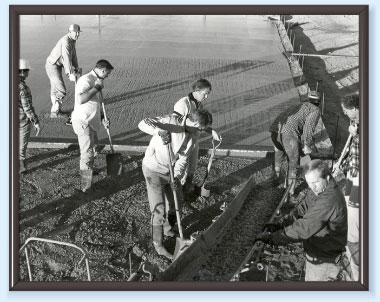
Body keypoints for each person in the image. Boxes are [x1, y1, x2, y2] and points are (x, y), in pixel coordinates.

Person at [138, 109, 213, 260]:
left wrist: (176, 178)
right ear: (195, 123)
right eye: (200, 129)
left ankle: (167, 228)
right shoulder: (170, 121)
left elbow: (182, 160)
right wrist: (159, 131)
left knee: (177, 201)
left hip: (170, 172)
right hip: (153, 169)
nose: (199, 132)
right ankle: (158, 245)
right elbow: (143, 123)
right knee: (158, 208)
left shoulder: (191, 137)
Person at [258, 159, 347, 281]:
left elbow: (304, 227)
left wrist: (274, 238)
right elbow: (302, 209)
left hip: (325, 259)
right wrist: (280, 225)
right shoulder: (319, 190)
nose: (312, 187)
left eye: (315, 182)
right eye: (309, 183)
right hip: (317, 251)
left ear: (326, 177)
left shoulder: (329, 200)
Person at [71, 59, 114, 192]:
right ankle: (86, 186)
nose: (108, 76)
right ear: (102, 70)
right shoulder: (86, 80)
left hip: (91, 121)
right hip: (83, 121)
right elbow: (81, 99)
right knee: (87, 153)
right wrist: (96, 87)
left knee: (95, 148)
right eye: (107, 73)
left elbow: (95, 104)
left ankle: (89, 169)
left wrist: (102, 118)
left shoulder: (97, 80)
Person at [172, 78, 222, 193]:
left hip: (193, 138)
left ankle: (186, 186)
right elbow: (176, 124)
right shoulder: (183, 104)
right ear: (197, 91)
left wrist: (211, 131)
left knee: (193, 164)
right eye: (205, 94)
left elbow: (200, 122)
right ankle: (174, 189)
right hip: (184, 141)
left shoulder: (197, 103)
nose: (206, 97)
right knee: (181, 164)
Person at [269, 92, 321, 196]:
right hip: (288, 135)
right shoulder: (315, 110)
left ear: (308, 99)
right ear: (319, 102)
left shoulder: (298, 105)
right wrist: (306, 144)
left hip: (275, 130)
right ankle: (289, 191)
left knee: (279, 155)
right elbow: (308, 127)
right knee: (293, 163)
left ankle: (275, 178)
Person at [333, 94, 360, 281]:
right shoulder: (357, 124)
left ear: (356, 108)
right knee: (346, 203)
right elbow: (352, 153)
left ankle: (357, 271)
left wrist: (357, 134)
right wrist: (340, 168)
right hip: (353, 174)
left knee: (354, 214)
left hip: (361, 178)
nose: (344, 113)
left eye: (346, 110)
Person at [45, 24, 82, 118]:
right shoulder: (66, 41)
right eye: (75, 32)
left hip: (57, 65)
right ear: (70, 32)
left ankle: (55, 111)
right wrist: (69, 74)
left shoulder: (72, 40)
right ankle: (55, 112)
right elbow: (66, 58)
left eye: (78, 32)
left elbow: (73, 55)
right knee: (61, 90)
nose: (77, 34)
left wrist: (76, 67)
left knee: (55, 90)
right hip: (52, 66)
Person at [18, 59, 42, 173]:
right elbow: (27, 108)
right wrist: (36, 122)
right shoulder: (22, 87)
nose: (28, 74)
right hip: (21, 121)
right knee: (21, 144)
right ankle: (20, 164)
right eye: (27, 71)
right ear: (22, 72)